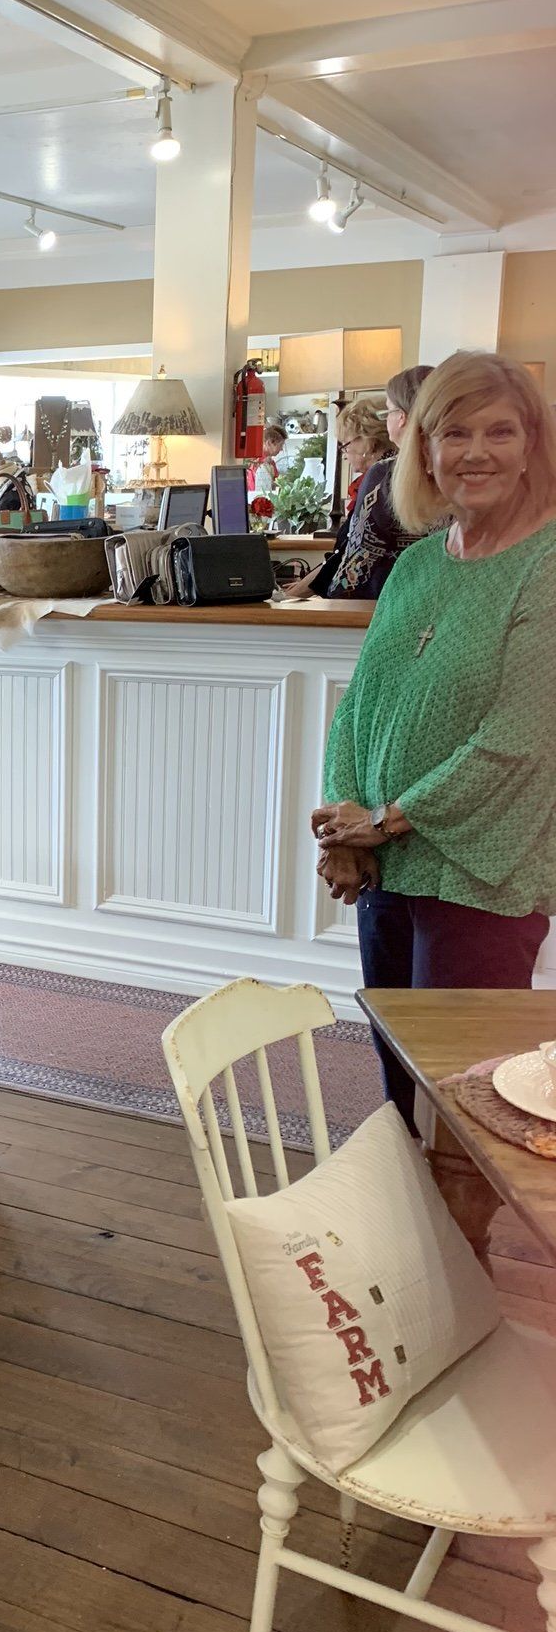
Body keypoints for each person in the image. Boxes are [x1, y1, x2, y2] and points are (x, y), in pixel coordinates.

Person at [311, 351, 556, 1125]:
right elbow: (361, 706)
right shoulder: (418, 563)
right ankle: (413, 1226)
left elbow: (517, 738)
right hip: (388, 861)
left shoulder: (547, 565)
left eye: (500, 431)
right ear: (423, 449)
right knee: (397, 1068)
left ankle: (465, 1241)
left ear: (534, 445)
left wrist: (381, 823)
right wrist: (347, 824)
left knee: (465, 1092)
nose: (475, 452)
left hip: (483, 869)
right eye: (453, 433)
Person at [291, 369, 434, 599]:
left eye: (389, 412)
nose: (344, 453)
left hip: (378, 604)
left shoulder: (384, 475)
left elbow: (356, 562)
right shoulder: (440, 469)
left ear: (402, 417)